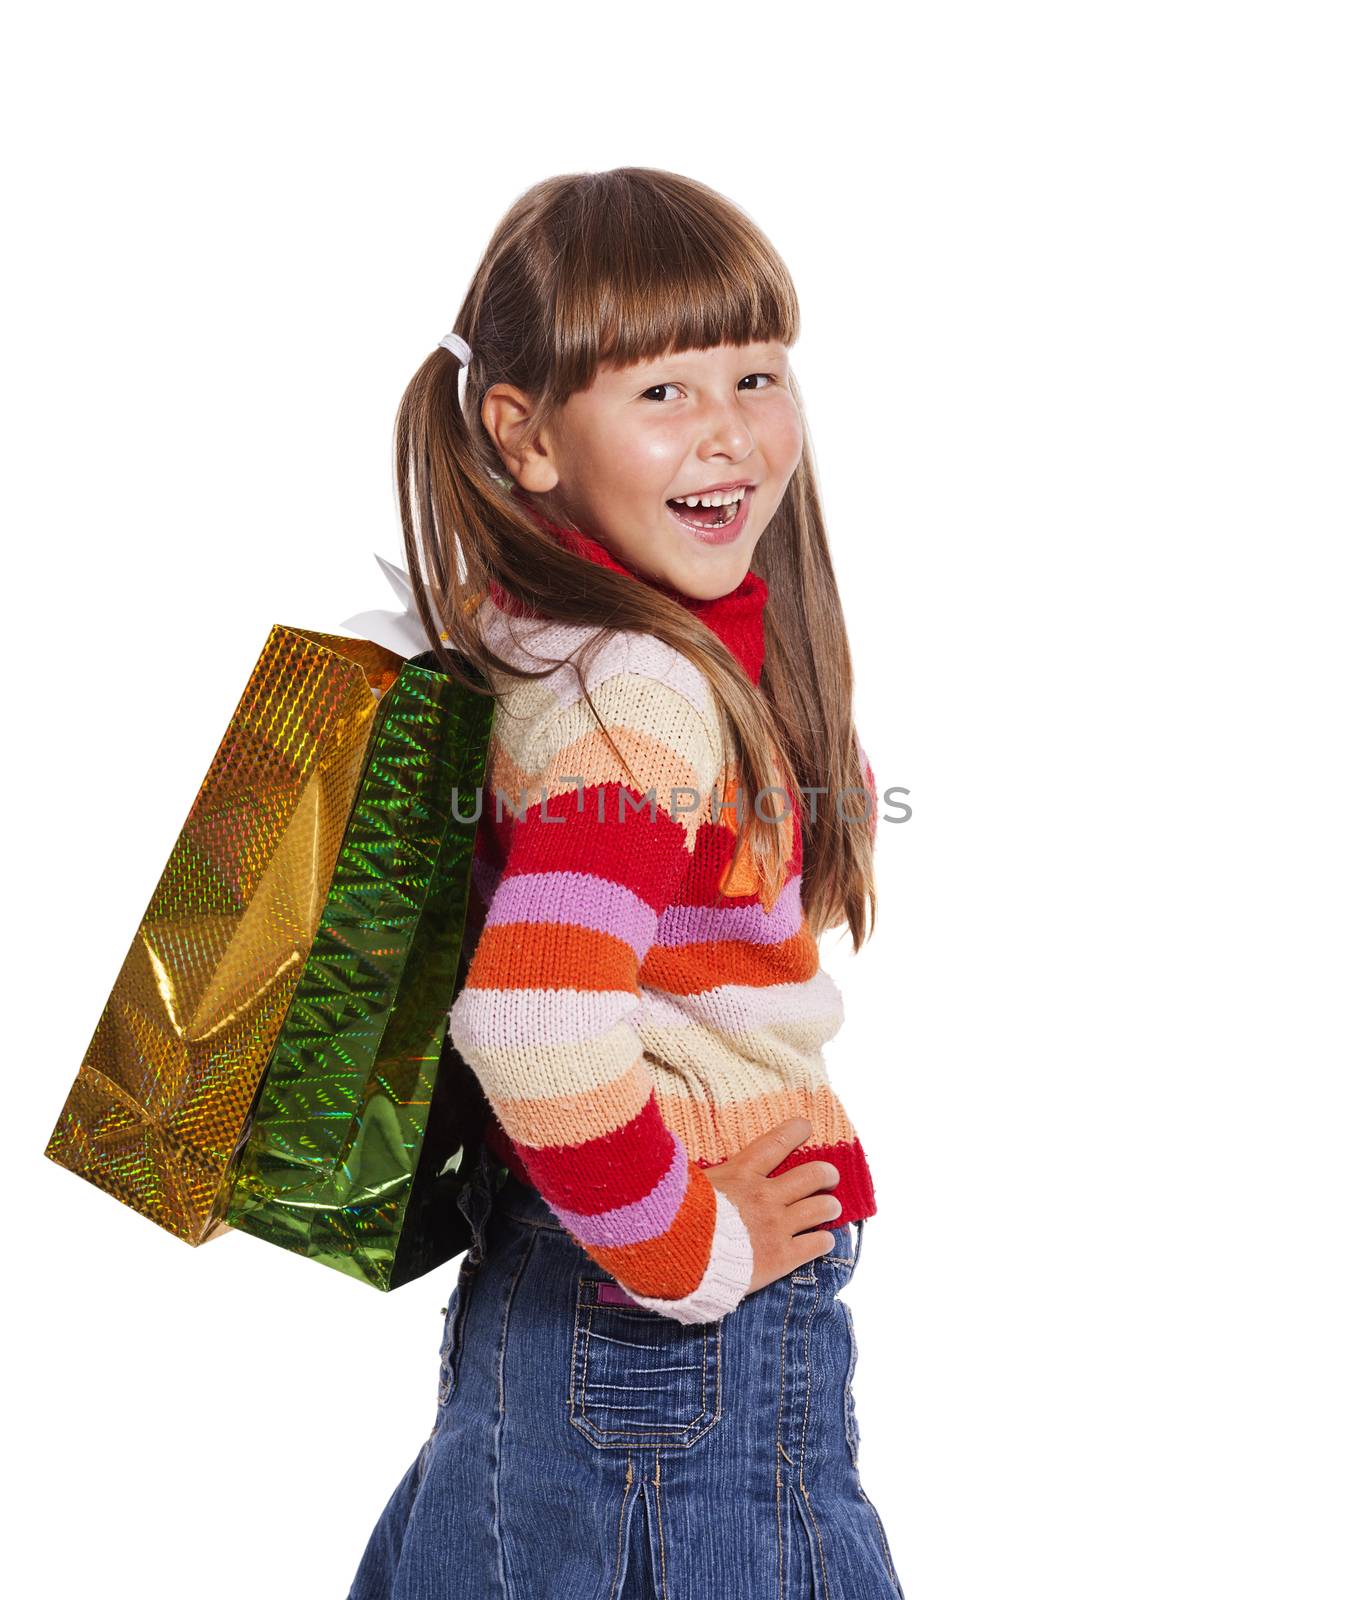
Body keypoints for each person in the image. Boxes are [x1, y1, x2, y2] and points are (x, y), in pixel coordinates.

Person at [347, 166, 905, 1599]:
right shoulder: (645, 689)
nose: (727, 429)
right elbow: (534, 1022)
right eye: (662, 392)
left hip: (564, 1295)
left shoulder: (534, 633)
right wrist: (689, 1246)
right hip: (669, 1344)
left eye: (756, 372)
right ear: (523, 436)